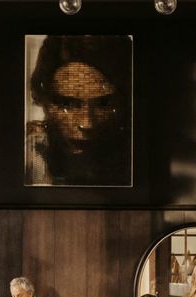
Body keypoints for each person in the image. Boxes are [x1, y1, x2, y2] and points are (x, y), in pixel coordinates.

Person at [25, 35, 133, 187]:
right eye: (67, 103)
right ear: (44, 101)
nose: (87, 124)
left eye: (103, 103)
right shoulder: (28, 155)